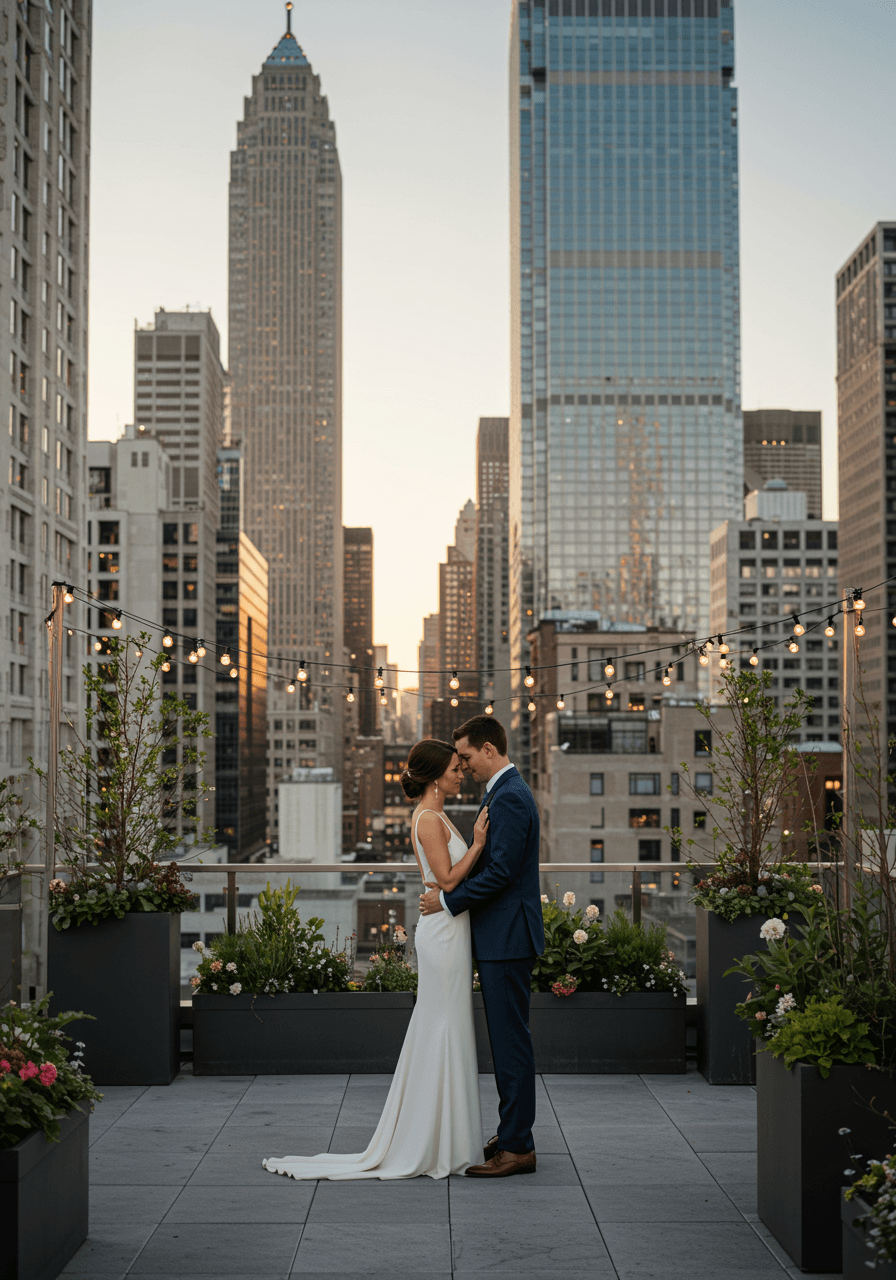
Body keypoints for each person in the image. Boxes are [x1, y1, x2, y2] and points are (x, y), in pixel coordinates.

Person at [262, 737, 490, 1180]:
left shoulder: (437, 815)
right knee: (440, 1025)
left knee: (448, 1025)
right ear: (435, 775)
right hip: (443, 933)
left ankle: (448, 1137)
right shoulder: (428, 819)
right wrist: (478, 844)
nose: (461, 773)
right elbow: (444, 880)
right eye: (455, 769)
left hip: (451, 930)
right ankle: (433, 1140)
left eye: (462, 768)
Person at [419, 714, 544, 1178]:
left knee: (511, 1045)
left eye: (468, 756)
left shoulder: (509, 796)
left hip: (507, 937)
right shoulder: (503, 791)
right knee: (508, 1042)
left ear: (489, 750)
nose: (465, 766)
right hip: (501, 936)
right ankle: (512, 1133)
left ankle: (517, 1146)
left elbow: (502, 873)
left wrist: (448, 901)